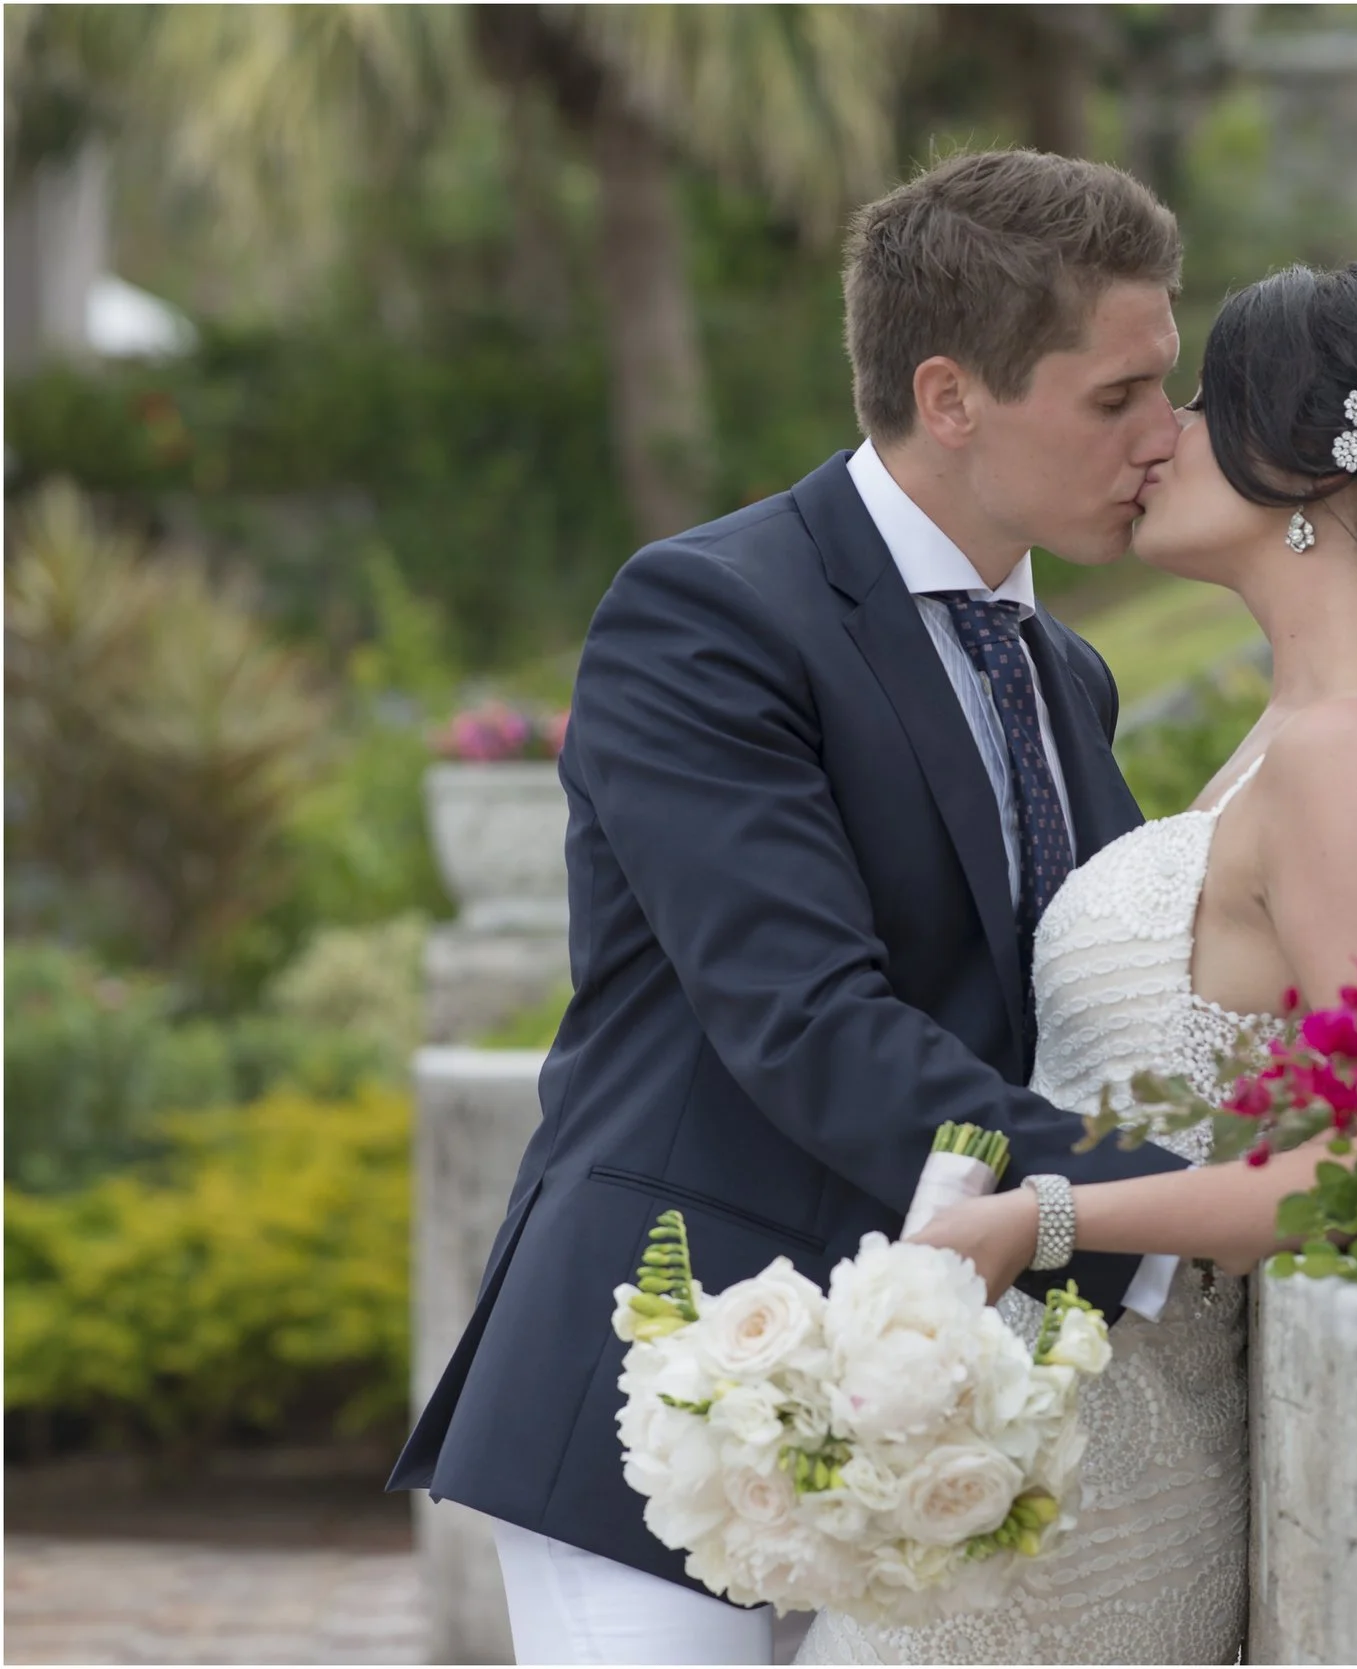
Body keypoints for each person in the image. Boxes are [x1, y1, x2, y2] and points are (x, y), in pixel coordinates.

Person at [387, 149, 1213, 1666]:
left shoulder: (1063, 673)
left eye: (1166, 383)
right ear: (950, 397)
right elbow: (805, 1019)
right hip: (674, 1375)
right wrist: (1170, 1213)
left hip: (948, 1416)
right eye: (1118, 397)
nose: (1166, 435)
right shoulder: (709, 615)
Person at [798, 257, 1357, 1665]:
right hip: (1039, 1447)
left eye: (1201, 401)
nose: (1161, 436)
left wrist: (1038, 1222)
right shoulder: (1294, 736)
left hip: (1105, 1488)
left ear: (1314, 469)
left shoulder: (1355, 755)